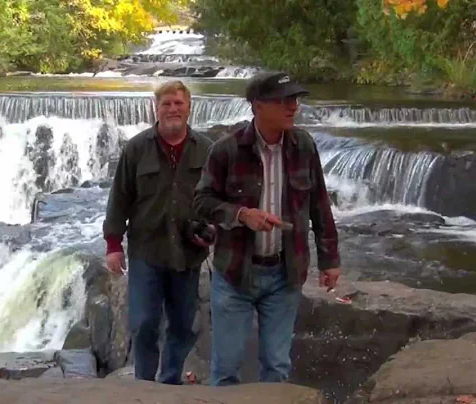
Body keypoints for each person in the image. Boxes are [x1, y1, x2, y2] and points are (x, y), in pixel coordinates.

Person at [193, 71, 341, 386]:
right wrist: (241, 214)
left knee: (277, 367)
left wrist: (330, 259)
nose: (294, 107)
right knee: (227, 370)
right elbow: (200, 202)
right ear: (258, 105)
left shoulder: (303, 145)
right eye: (284, 100)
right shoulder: (227, 150)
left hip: (284, 273)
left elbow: (319, 204)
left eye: (296, 99)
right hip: (235, 273)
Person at [102, 80, 215, 384]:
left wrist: (214, 229)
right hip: (146, 251)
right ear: (157, 108)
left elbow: (219, 198)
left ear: (189, 108)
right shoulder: (137, 148)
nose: (172, 109)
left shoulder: (206, 150)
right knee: (144, 323)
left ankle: (170, 381)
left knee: (181, 325)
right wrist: (114, 244)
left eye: (178, 103)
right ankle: (145, 384)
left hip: (188, 254)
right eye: (166, 104)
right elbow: (120, 197)